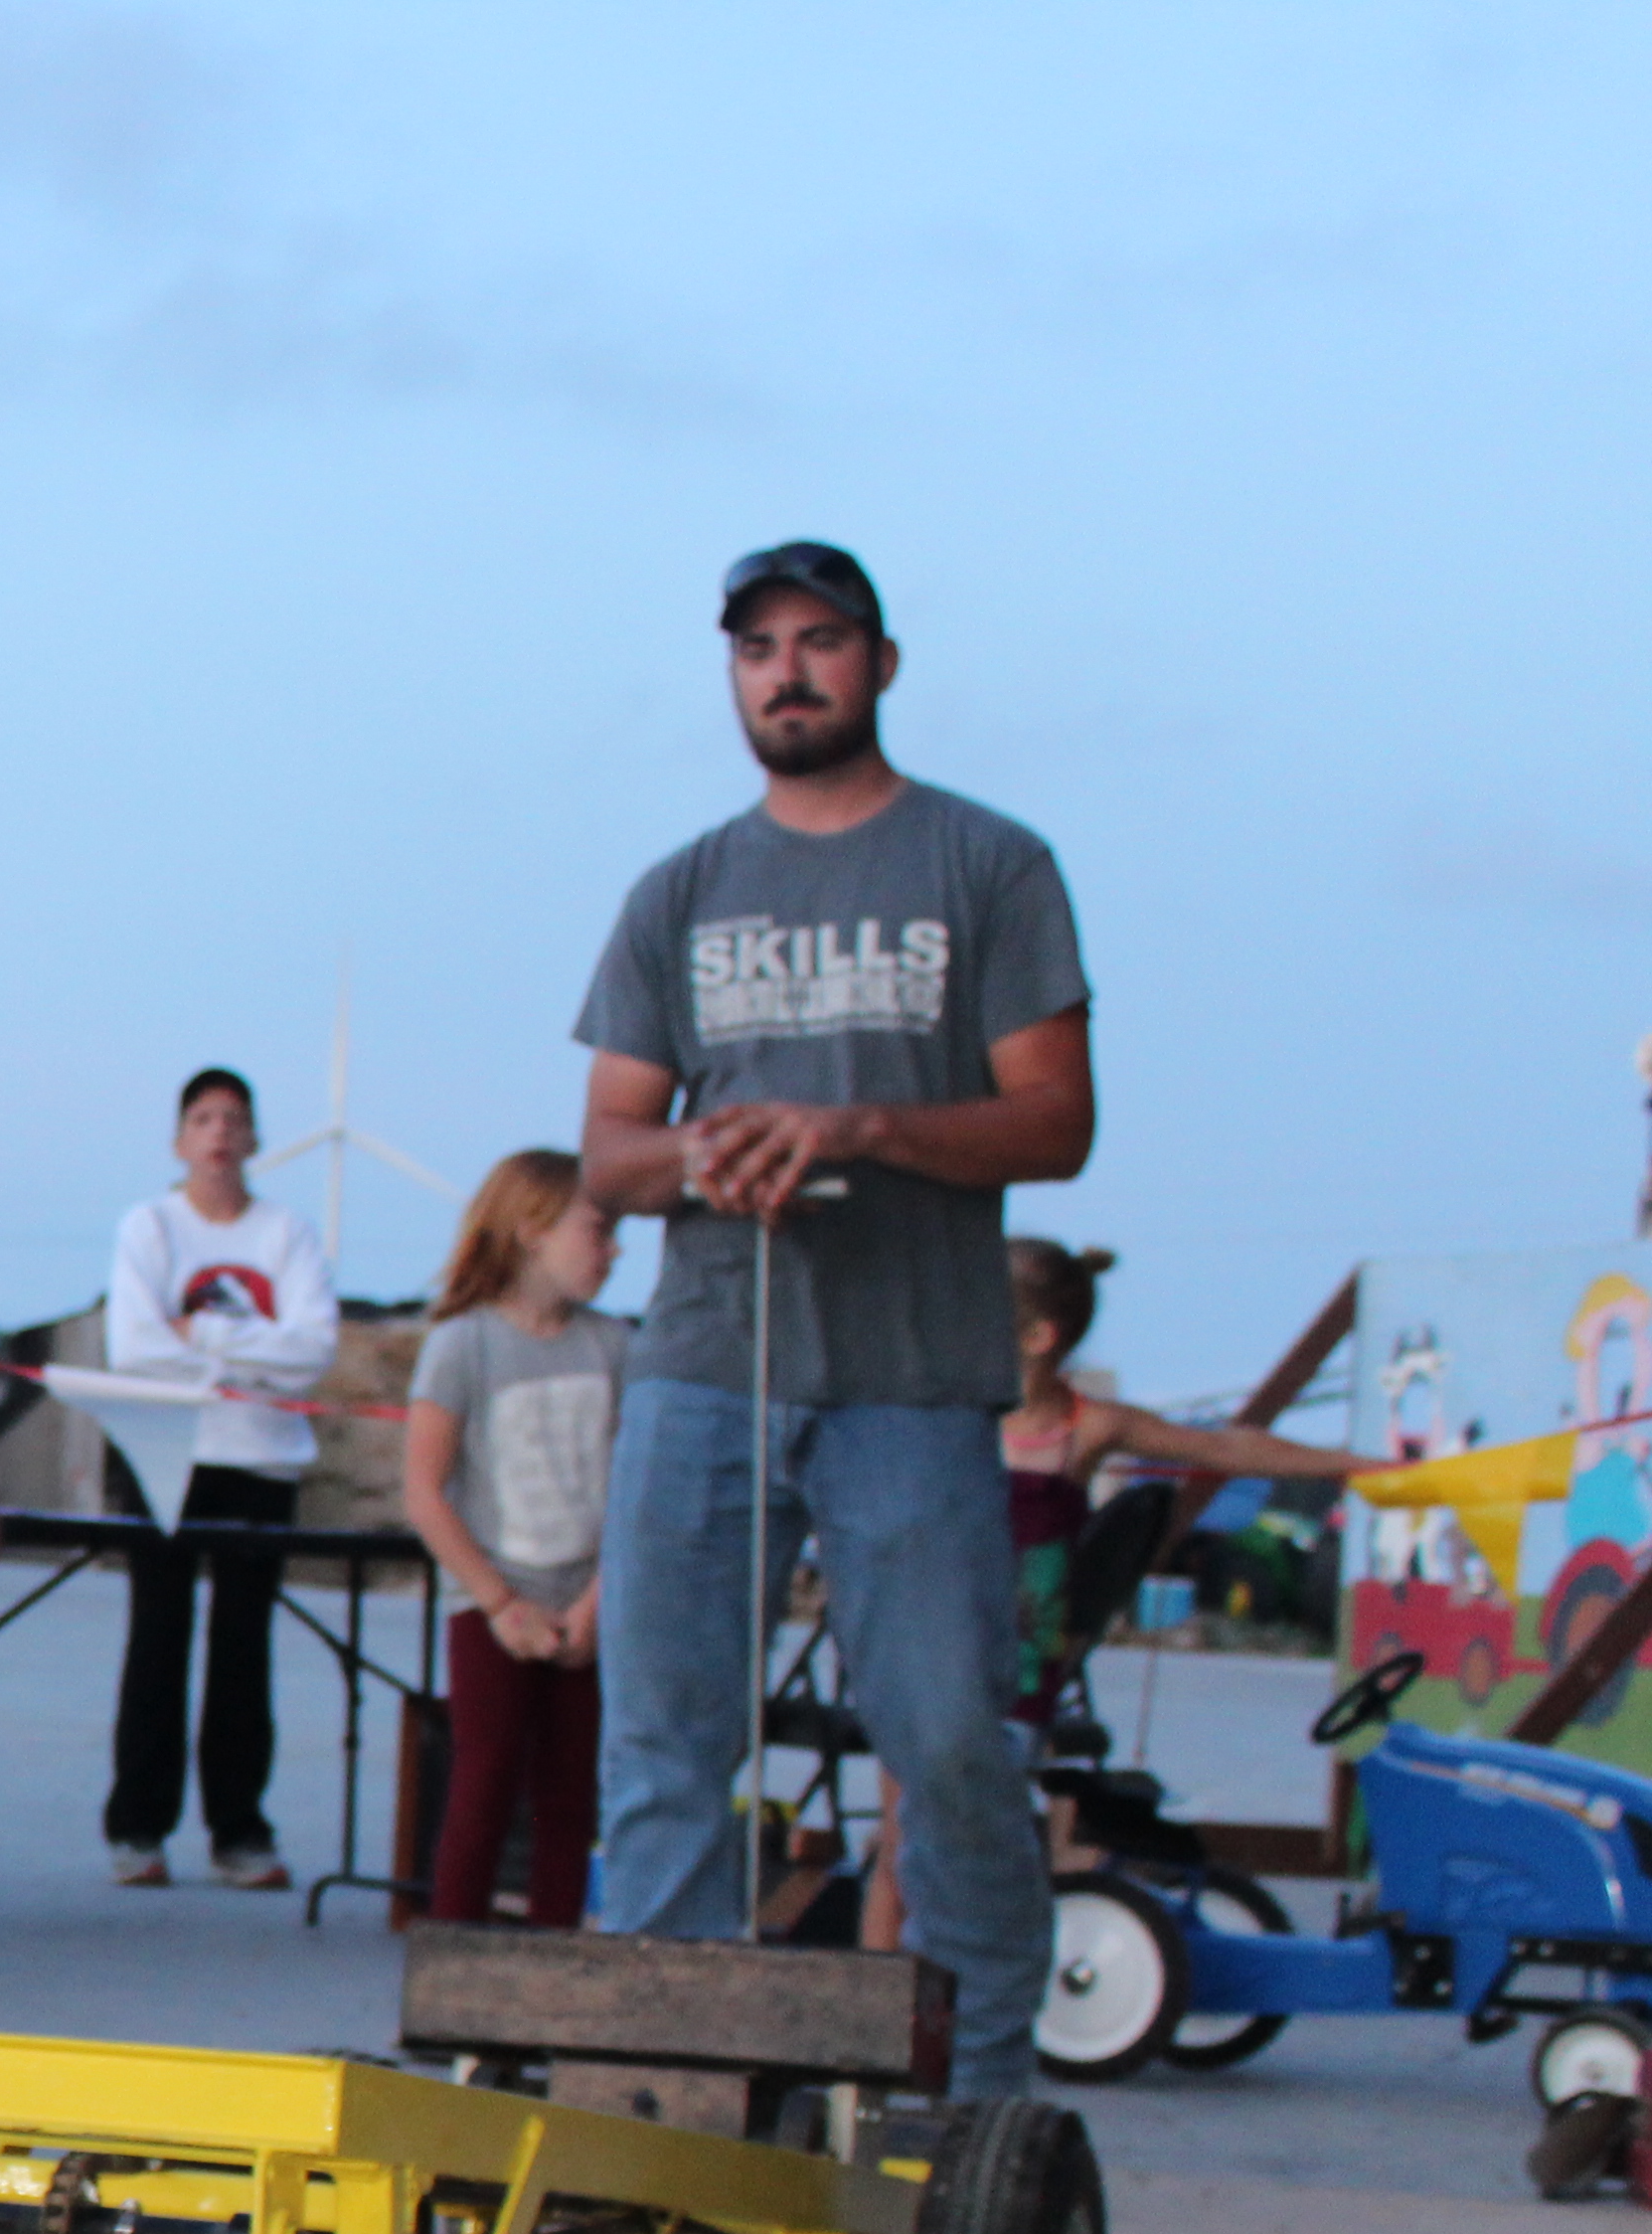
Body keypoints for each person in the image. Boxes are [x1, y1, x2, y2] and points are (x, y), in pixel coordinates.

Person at [573, 542, 1095, 2102]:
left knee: (941, 1750)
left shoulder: (987, 866)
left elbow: (1055, 1124)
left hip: (915, 1384)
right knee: (664, 1752)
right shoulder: (679, 890)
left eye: (818, 643)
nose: (786, 673)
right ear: (732, 674)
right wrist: (704, 1155)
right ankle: (657, 2112)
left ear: (879, 663)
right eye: (757, 650)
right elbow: (608, 1151)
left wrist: (860, 1130)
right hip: (703, 1370)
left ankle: (983, 2118)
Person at [853, 1237, 1376, 1952]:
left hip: (1017, 1676)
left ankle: (965, 2011)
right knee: (901, 1848)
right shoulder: (948, 1413)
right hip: (926, 1659)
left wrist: (1355, 1466)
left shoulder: (1085, 1426)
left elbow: (1231, 1449)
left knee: (978, 1857)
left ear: (1037, 1339)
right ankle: (875, 2035)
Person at [99, 1067, 336, 1890]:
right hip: (166, 1455)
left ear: (256, 1137)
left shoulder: (288, 1234)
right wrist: (247, 1345)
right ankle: (137, 1827)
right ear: (180, 1139)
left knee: (245, 1648)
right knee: (156, 1639)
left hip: (262, 1459)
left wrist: (198, 1331)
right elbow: (132, 1348)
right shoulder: (150, 1227)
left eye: (234, 1118)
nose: (220, 1133)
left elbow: (311, 1354)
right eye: (203, 1118)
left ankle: (239, 1831)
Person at [403, 1151, 628, 1929]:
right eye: (597, 1230)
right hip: (494, 1605)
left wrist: (596, 1604)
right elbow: (425, 1491)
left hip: (586, 1610)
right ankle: (449, 1980)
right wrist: (500, 1603)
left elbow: (632, 1494)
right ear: (533, 1229)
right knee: (482, 1787)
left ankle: (551, 1978)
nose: (613, 1250)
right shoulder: (463, 1345)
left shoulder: (615, 1345)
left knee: (570, 1801)